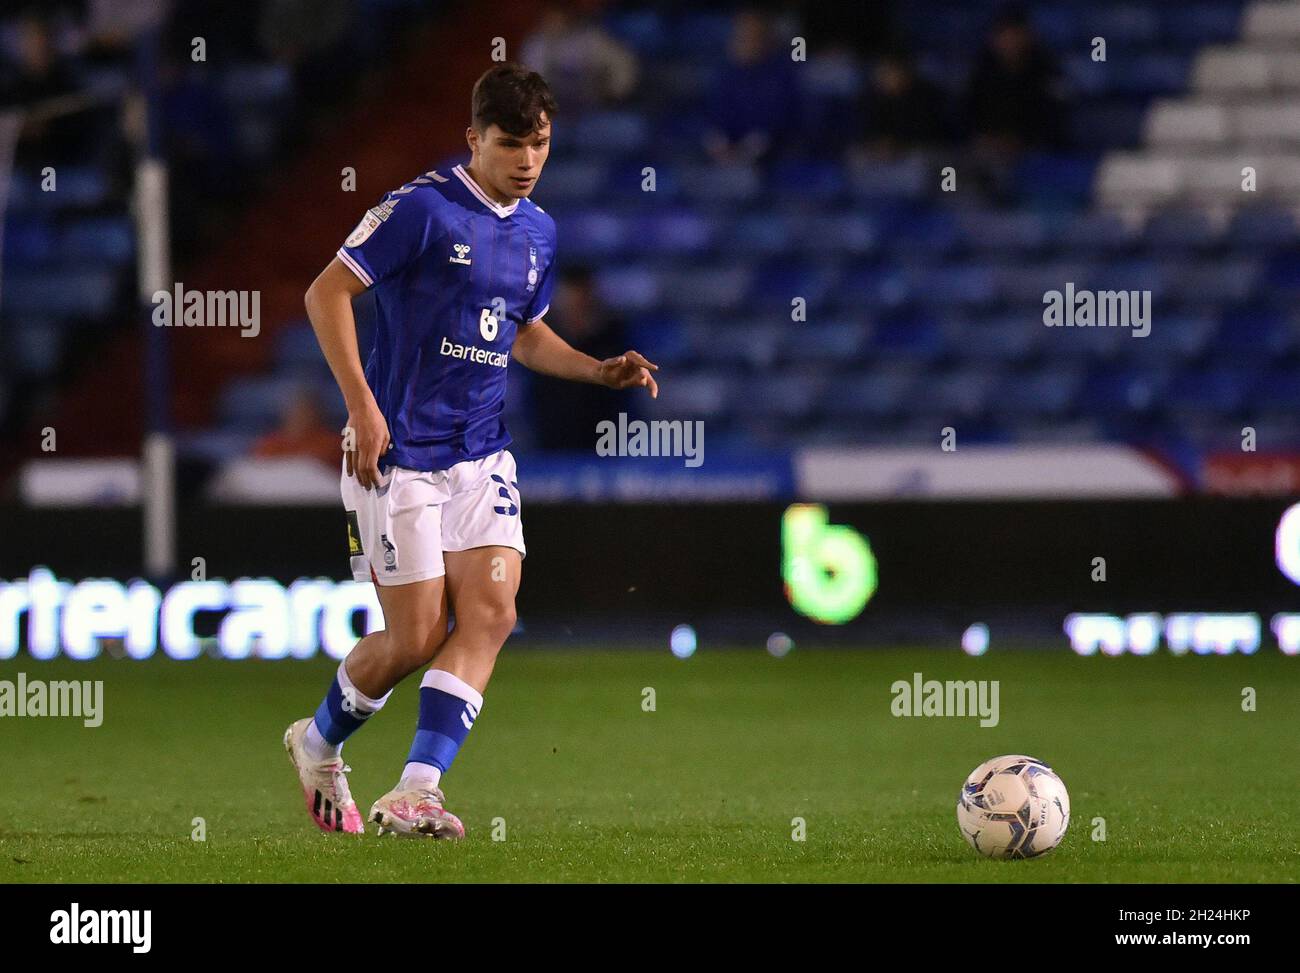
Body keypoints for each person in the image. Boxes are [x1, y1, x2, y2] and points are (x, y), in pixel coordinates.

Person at [286, 63, 658, 838]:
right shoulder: (422, 209)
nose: (528, 161)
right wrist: (361, 404)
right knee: (413, 639)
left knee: (491, 611)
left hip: (481, 454)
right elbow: (326, 292)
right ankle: (317, 740)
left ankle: (416, 790)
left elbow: (522, 331)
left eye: (542, 144)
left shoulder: (538, 232)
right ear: (474, 140)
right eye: (512, 144)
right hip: (399, 457)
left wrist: (597, 369)